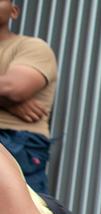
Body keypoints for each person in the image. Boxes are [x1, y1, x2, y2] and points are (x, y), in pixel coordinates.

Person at [0, 0, 57, 195]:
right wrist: (7, 104)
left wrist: (8, 98)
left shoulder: (31, 47)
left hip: (16, 139)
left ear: (14, 12)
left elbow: (14, 88)